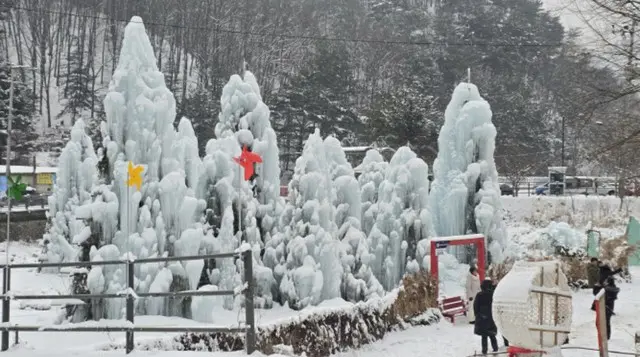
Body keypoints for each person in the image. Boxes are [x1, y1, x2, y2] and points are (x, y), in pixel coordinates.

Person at [474, 279, 499, 355]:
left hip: (482, 317)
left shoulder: (479, 295)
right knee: (492, 334)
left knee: (484, 336)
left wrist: (477, 315)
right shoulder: (493, 294)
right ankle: (495, 349)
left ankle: (484, 350)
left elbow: (476, 306)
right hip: (492, 317)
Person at [603, 276, 620, 340]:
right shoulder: (614, 288)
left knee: (605, 322)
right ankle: (607, 335)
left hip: (605, 307)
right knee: (607, 322)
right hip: (611, 307)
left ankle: (606, 336)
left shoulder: (607, 289)